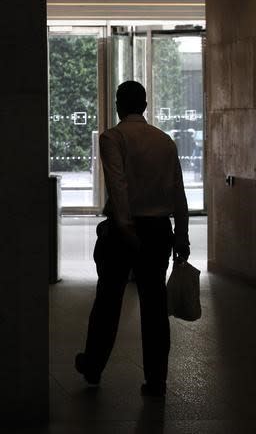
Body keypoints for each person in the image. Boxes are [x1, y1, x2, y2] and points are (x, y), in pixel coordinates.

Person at [75, 80, 190, 398]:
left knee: (108, 301)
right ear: (145, 106)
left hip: (126, 232)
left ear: (117, 105)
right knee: (154, 306)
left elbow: (118, 185)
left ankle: (94, 365)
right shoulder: (165, 141)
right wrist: (182, 235)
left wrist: (125, 229)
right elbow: (178, 192)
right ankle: (157, 381)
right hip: (158, 231)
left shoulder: (113, 137)